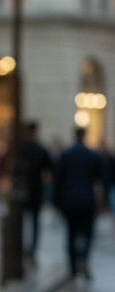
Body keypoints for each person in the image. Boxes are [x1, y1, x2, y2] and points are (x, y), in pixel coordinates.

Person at [52, 125, 105, 280]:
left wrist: (56, 202)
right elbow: (99, 181)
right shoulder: (92, 155)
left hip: (69, 200)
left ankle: (73, 265)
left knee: (71, 233)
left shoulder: (65, 155)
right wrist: (101, 203)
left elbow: (58, 180)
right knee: (87, 232)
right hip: (87, 200)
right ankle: (83, 257)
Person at [18, 120, 52, 264]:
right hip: (35, 190)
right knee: (33, 223)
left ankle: (26, 249)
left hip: (24, 190)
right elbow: (48, 173)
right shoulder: (40, 148)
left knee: (24, 222)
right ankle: (31, 250)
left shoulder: (21, 148)